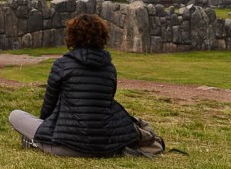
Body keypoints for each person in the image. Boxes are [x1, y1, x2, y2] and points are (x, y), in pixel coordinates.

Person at [9, 14, 139, 157]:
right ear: (103, 36)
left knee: (15, 115)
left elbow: (48, 106)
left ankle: (36, 142)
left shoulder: (62, 65)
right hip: (104, 147)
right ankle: (38, 141)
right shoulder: (109, 68)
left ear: (72, 35)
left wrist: (45, 129)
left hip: (66, 146)